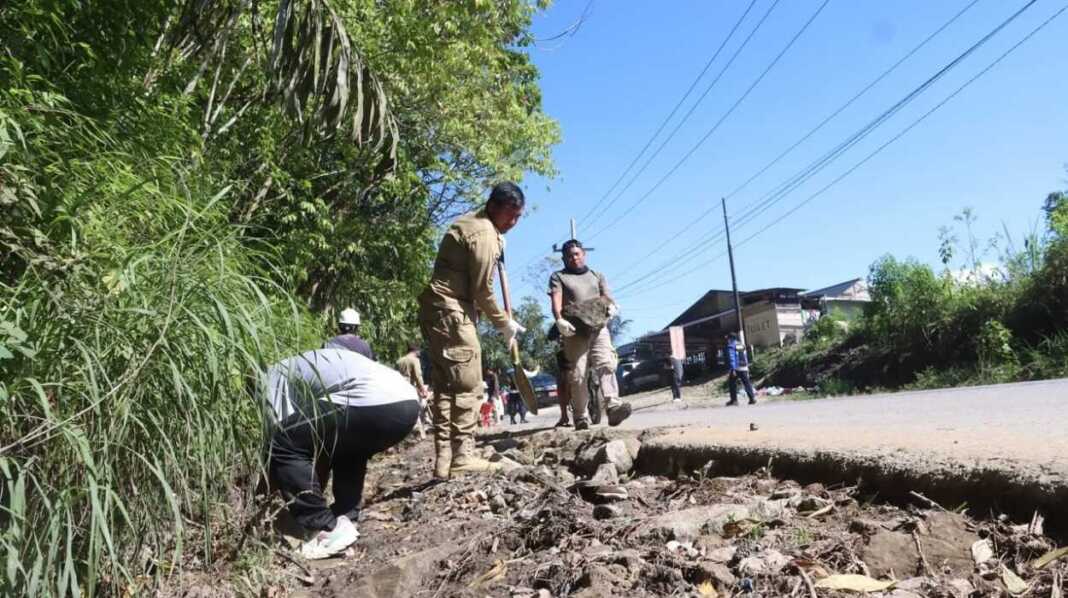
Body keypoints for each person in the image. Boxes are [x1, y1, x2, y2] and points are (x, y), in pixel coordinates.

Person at [262, 342, 419, 560]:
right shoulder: (299, 365)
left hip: (372, 400)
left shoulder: (271, 378)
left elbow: (283, 447)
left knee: (282, 440)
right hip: (407, 404)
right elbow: (318, 448)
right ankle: (346, 516)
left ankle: (325, 527)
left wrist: (264, 494)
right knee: (346, 447)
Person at [417, 182, 526, 479]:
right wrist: (504, 323)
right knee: (468, 384)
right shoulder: (485, 234)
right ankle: (463, 457)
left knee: (444, 387)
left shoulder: (473, 224)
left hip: (438, 311)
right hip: (452, 312)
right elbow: (481, 290)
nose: (513, 223)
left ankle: (444, 461)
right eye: (510, 216)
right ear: (493, 207)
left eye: (518, 217)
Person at [549, 239, 631, 431]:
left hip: (598, 327)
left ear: (583, 254)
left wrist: (612, 307)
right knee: (578, 375)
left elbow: (607, 297)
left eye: (577, 254)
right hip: (574, 331)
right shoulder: (558, 277)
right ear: (564, 258)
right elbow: (556, 301)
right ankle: (581, 417)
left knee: (607, 364)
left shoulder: (597, 275)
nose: (574, 258)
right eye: (569, 255)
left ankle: (613, 407)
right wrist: (559, 319)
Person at [395, 343, 429, 439]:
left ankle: (408, 434)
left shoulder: (399, 361)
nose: (420, 353)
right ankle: (420, 433)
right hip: (410, 388)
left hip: (399, 388)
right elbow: (418, 376)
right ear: (415, 351)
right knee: (420, 407)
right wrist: (422, 389)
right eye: (419, 351)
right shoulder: (414, 360)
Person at [725, 332, 757, 406]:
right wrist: (747, 366)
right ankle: (752, 399)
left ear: (731, 339)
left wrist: (733, 369)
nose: (728, 340)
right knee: (747, 383)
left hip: (736, 368)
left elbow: (732, 357)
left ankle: (734, 400)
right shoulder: (741, 345)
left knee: (732, 383)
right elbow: (745, 356)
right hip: (744, 367)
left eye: (728, 339)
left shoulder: (731, 345)